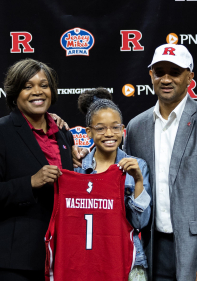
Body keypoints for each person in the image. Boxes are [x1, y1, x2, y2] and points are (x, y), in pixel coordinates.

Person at [124, 44, 197, 281]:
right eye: (159, 71)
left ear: (189, 77)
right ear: (150, 75)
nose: (166, 78)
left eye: (174, 72)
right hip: (152, 248)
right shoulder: (136, 127)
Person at [0, 58, 74, 281]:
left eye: (44, 85)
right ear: (14, 93)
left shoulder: (63, 134)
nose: (37, 92)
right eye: (28, 86)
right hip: (9, 262)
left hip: (55, 256)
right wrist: (30, 183)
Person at [73, 88, 151, 281]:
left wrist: (139, 180)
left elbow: (141, 223)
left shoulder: (138, 165)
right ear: (89, 132)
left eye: (115, 127)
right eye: (100, 128)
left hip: (130, 259)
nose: (109, 134)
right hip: (88, 258)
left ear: (122, 129)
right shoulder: (78, 169)